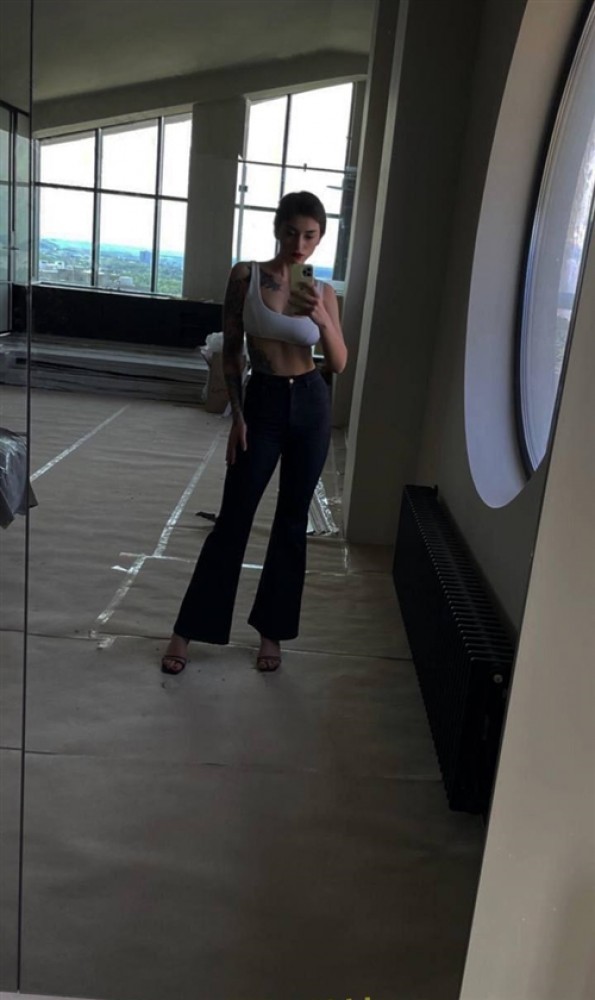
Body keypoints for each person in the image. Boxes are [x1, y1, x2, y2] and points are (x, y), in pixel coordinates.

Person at [161, 191, 347, 674]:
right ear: (277, 229)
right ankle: (186, 630)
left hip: (310, 402)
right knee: (234, 517)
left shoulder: (323, 292)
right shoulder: (245, 276)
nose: (299, 244)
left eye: (310, 236)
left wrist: (322, 318)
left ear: (320, 238)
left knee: (291, 523)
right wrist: (237, 416)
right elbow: (232, 351)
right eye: (292, 232)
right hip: (262, 401)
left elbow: (339, 362)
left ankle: (272, 632)